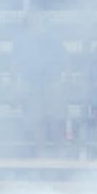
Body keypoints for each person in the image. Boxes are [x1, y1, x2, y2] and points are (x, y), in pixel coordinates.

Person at [11, 12, 68, 157]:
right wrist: (13, 88)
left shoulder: (54, 38)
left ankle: (61, 154)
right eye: (33, 18)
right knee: (36, 121)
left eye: (39, 18)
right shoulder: (20, 40)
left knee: (57, 119)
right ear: (28, 22)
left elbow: (65, 59)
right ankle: (42, 155)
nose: (36, 21)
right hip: (29, 83)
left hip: (52, 82)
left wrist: (67, 79)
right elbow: (14, 63)